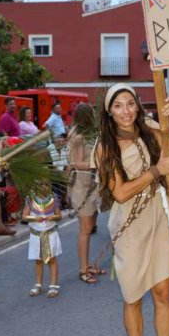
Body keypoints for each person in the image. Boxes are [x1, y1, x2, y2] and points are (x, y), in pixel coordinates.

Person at [95, 83, 169, 336]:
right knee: (133, 296)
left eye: (130, 103)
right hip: (129, 225)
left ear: (137, 105)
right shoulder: (105, 147)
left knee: (162, 293)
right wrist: (156, 171)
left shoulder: (150, 128)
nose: (126, 111)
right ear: (109, 112)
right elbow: (120, 193)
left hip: (158, 218)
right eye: (118, 105)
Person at [67, 103, 102, 284]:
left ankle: (87, 265)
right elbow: (77, 163)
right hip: (82, 186)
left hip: (88, 185)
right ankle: (83, 270)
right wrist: (100, 163)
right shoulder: (79, 137)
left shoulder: (80, 134)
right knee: (85, 230)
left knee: (88, 228)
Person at [24, 181, 63, 298]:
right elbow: (24, 216)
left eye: (46, 184)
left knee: (52, 259)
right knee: (38, 260)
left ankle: (53, 286)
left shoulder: (53, 198)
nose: (43, 187)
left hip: (50, 233)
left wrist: (54, 216)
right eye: (40, 184)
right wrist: (34, 218)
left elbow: (59, 215)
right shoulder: (30, 198)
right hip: (36, 234)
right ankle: (38, 284)